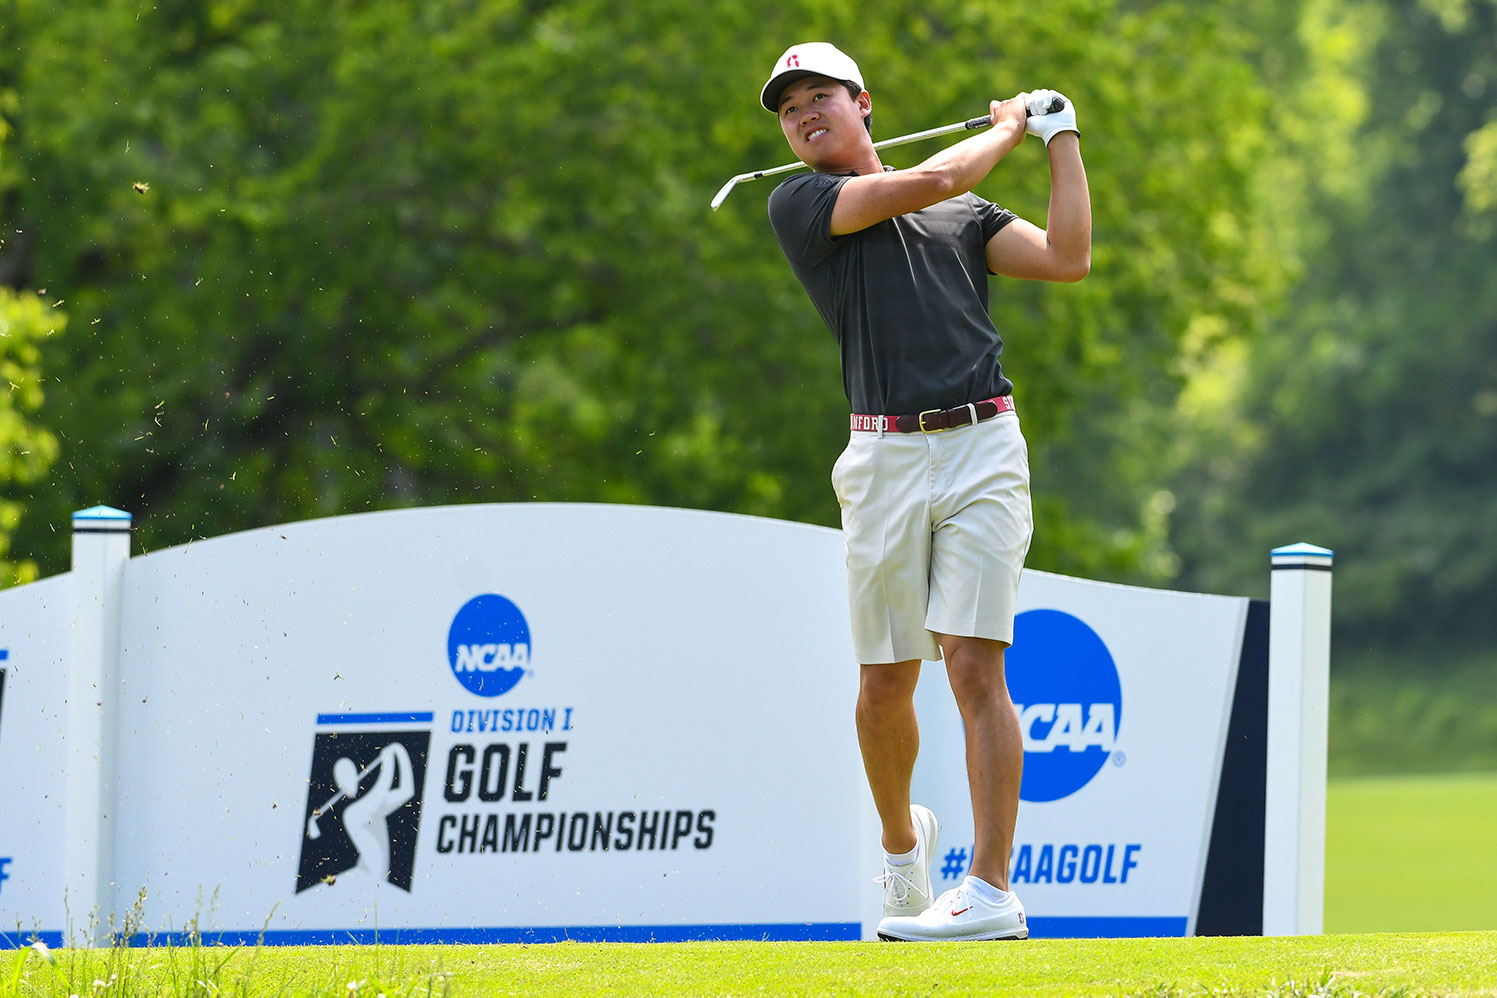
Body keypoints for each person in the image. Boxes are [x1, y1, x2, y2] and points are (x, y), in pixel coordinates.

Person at [759, 42, 1090, 941]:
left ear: (862, 102)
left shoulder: (967, 209)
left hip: (984, 443)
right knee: (883, 682)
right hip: (883, 458)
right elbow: (932, 180)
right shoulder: (802, 202)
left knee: (977, 667)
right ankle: (905, 850)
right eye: (788, 110)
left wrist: (1061, 140)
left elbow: (1065, 257)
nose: (801, 115)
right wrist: (1011, 127)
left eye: (818, 96)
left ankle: (989, 890)